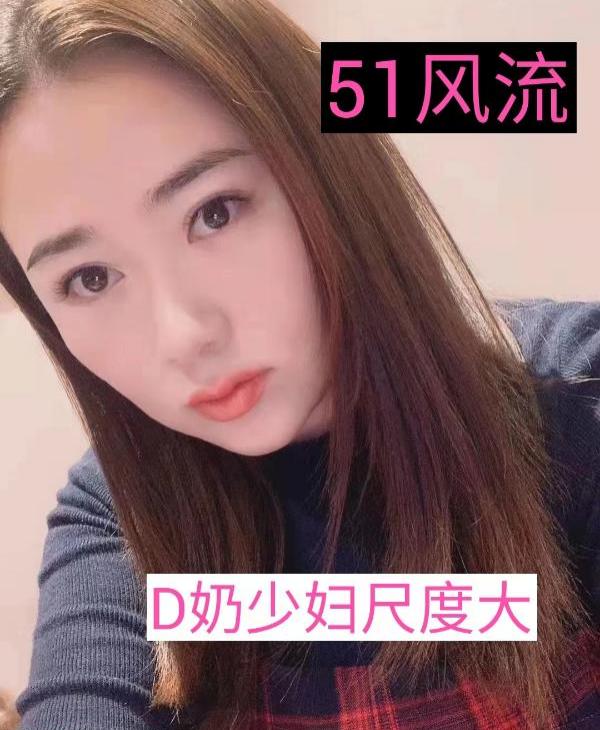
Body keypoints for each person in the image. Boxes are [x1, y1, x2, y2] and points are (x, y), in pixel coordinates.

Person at [0, 1, 597, 728]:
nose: (184, 335)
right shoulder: (119, 514)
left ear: (330, 173)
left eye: (215, 212)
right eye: (90, 278)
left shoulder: (575, 396)